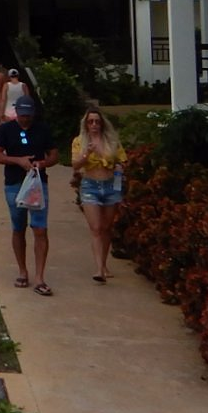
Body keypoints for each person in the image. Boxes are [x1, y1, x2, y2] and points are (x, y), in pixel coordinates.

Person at [0, 95, 57, 295]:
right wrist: (18, 160)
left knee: (40, 229)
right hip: (14, 183)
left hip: (38, 183)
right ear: (16, 112)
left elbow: (54, 155)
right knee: (18, 228)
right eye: (22, 115)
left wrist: (43, 163)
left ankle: (40, 277)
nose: (25, 119)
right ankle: (22, 270)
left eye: (28, 115)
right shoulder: (6, 129)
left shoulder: (43, 129)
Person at [69, 104, 127, 284]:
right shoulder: (79, 141)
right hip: (90, 186)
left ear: (102, 124)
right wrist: (86, 154)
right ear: (86, 124)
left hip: (110, 186)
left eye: (97, 121)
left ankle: (104, 262)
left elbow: (122, 160)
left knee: (106, 228)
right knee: (95, 228)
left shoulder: (111, 141)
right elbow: (75, 165)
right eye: (90, 122)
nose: (94, 125)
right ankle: (99, 269)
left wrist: (115, 163)